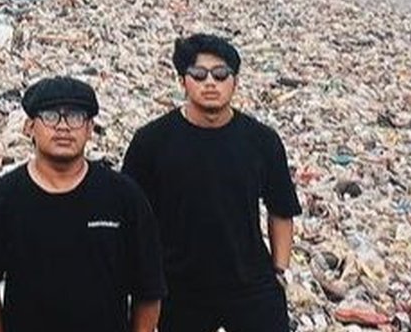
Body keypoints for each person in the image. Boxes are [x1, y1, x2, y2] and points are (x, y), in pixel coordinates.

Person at [122, 34, 302, 332]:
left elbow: (281, 209)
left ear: (235, 82)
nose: (210, 83)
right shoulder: (152, 141)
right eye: (198, 74)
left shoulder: (261, 141)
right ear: (183, 81)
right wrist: (143, 278)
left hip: (250, 282)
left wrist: (280, 271)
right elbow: (131, 215)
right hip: (178, 285)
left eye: (220, 75)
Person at [0, 76, 165, 332]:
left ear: (90, 128)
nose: (63, 127)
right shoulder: (1, 200)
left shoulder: (123, 198)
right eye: (50, 116)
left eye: (75, 116)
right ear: (29, 127)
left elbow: (149, 288)